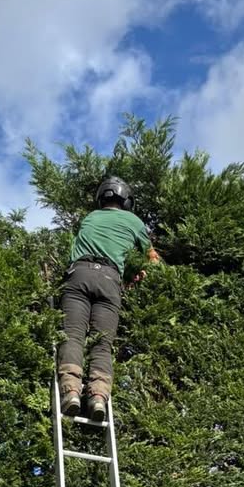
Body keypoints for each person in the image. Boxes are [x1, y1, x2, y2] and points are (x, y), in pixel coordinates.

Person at [57, 175, 159, 422]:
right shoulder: (135, 222)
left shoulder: (91, 217)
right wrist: (141, 274)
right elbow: (153, 259)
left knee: (73, 335)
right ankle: (98, 397)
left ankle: (71, 392)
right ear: (127, 200)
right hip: (110, 281)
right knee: (102, 343)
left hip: (79, 275)